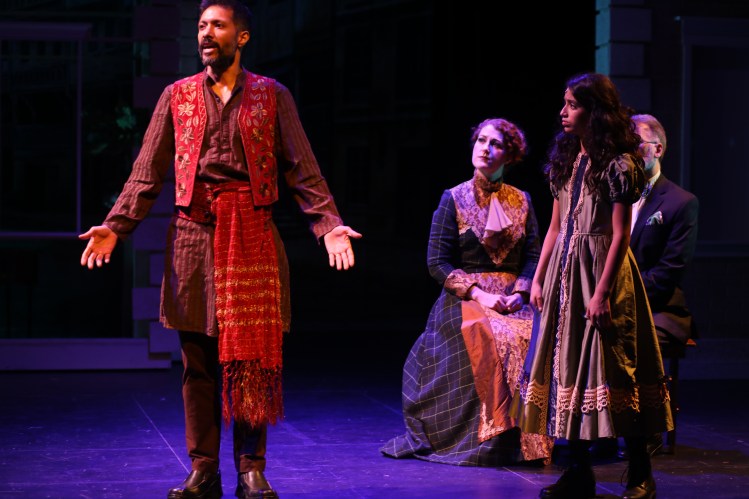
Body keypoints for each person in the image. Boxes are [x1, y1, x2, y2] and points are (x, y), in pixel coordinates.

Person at [78, 1, 361, 498]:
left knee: (253, 362)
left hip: (251, 235)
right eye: (201, 26)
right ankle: (203, 468)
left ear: (242, 37)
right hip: (194, 239)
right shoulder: (178, 96)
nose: (206, 34)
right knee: (199, 363)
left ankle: (251, 468)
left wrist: (328, 225)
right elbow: (147, 171)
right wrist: (116, 225)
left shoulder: (271, 95)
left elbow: (303, 168)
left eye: (217, 25)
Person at [511, 74, 673, 499]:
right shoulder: (568, 159)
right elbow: (555, 227)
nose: (563, 112)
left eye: (572, 104)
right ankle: (578, 470)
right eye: (564, 103)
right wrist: (539, 276)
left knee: (612, 368)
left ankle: (640, 472)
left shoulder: (618, 164)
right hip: (565, 273)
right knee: (567, 368)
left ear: (594, 111)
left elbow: (620, 235)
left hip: (602, 272)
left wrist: (602, 293)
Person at [380, 118, 554, 466]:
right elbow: (437, 262)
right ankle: (489, 440)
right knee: (488, 334)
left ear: (510, 155)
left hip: (512, 299)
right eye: (481, 140)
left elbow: (534, 255)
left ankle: (526, 440)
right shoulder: (454, 198)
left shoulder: (522, 200)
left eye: (496, 144)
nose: (485, 149)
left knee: (531, 334)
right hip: (465, 299)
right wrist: (479, 294)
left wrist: (520, 292)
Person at [627, 113, 699, 455]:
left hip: (658, 306)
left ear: (657, 149)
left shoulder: (680, 202)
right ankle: (595, 428)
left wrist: (622, 298)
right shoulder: (613, 196)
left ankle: (647, 425)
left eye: (636, 144)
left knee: (634, 340)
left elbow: (670, 270)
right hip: (611, 301)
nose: (629, 152)